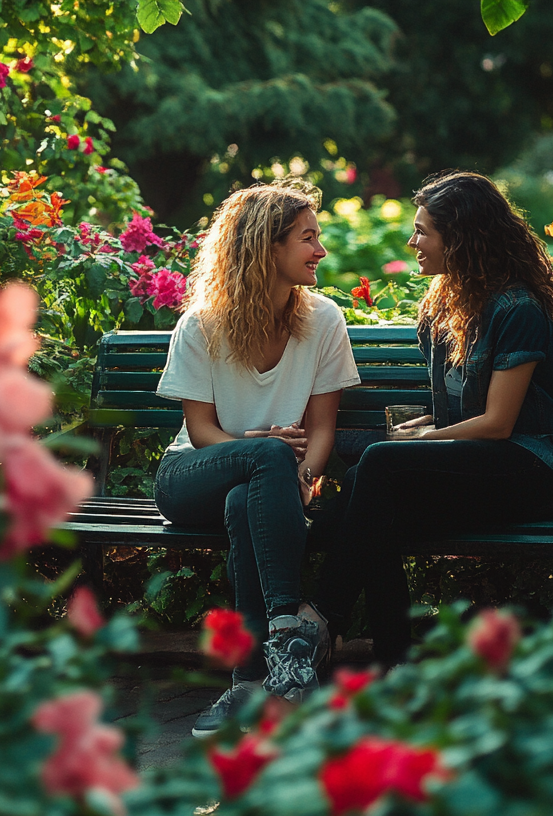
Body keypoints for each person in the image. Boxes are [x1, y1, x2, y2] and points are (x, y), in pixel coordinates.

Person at [313, 171, 553, 665]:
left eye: (423, 231)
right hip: (474, 462)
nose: (412, 241)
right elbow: (461, 410)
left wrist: (429, 439)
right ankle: (392, 660)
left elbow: (499, 423)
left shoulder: (518, 308)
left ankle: (321, 618)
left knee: (372, 476)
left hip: (532, 469)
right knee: (371, 503)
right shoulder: (442, 305)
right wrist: (426, 431)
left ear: (460, 240)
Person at [153, 181, 359, 736]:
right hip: (189, 477)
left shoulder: (324, 321)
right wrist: (264, 452)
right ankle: (290, 643)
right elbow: (199, 432)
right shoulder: (202, 324)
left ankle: (250, 678)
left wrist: (303, 477)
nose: (320, 251)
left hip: (273, 487)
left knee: (251, 499)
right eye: (307, 239)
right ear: (265, 246)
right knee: (261, 463)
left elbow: (322, 429)